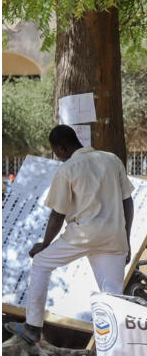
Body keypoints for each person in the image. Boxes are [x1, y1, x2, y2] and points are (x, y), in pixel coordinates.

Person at [4, 126, 134, 345]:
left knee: (42, 263)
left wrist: (44, 244)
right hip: (114, 236)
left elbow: (57, 214)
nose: (58, 156)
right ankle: (116, 347)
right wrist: (126, 239)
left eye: (56, 151)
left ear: (62, 148)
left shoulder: (69, 168)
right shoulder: (111, 160)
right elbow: (127, 201)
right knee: (112, 295)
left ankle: (33, 327)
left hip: (82, 235)